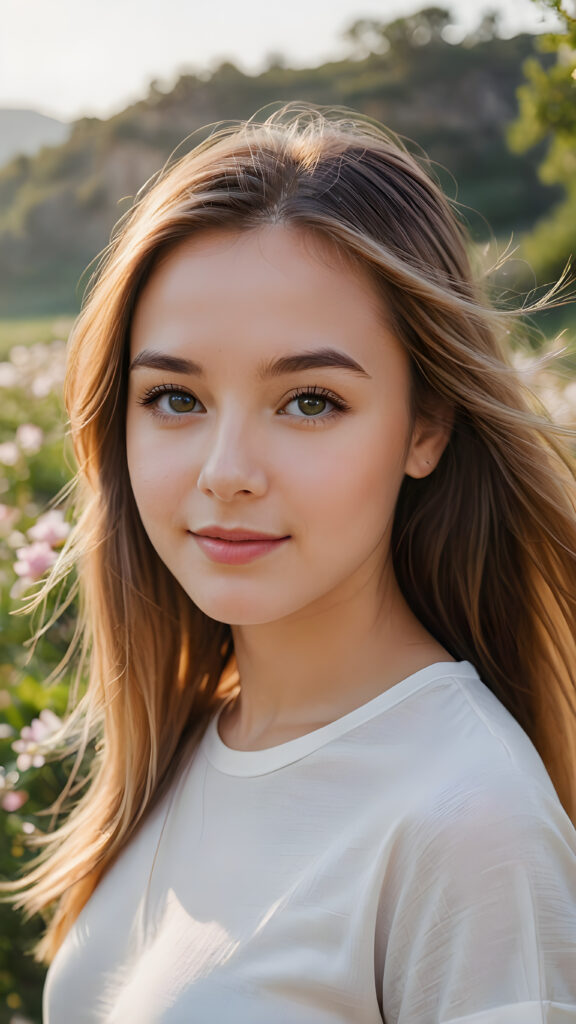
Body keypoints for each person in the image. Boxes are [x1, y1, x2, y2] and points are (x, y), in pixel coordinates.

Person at [4, 102, 576, 1022]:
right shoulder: (190, 737)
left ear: (425, 425)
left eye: (309, 401)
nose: (227, 473)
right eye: (175, 397)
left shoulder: (469, 825)